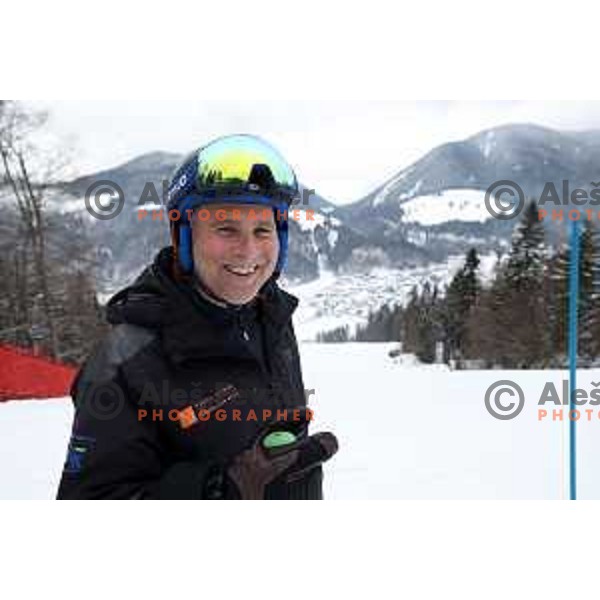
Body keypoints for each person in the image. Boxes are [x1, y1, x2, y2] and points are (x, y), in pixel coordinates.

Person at [57, 134, 338, 500]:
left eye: (262, 230)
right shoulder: (124, 362)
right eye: (226, 229)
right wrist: (221, 492)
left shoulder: (271, 319)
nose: (249, 251)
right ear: (184, 237)